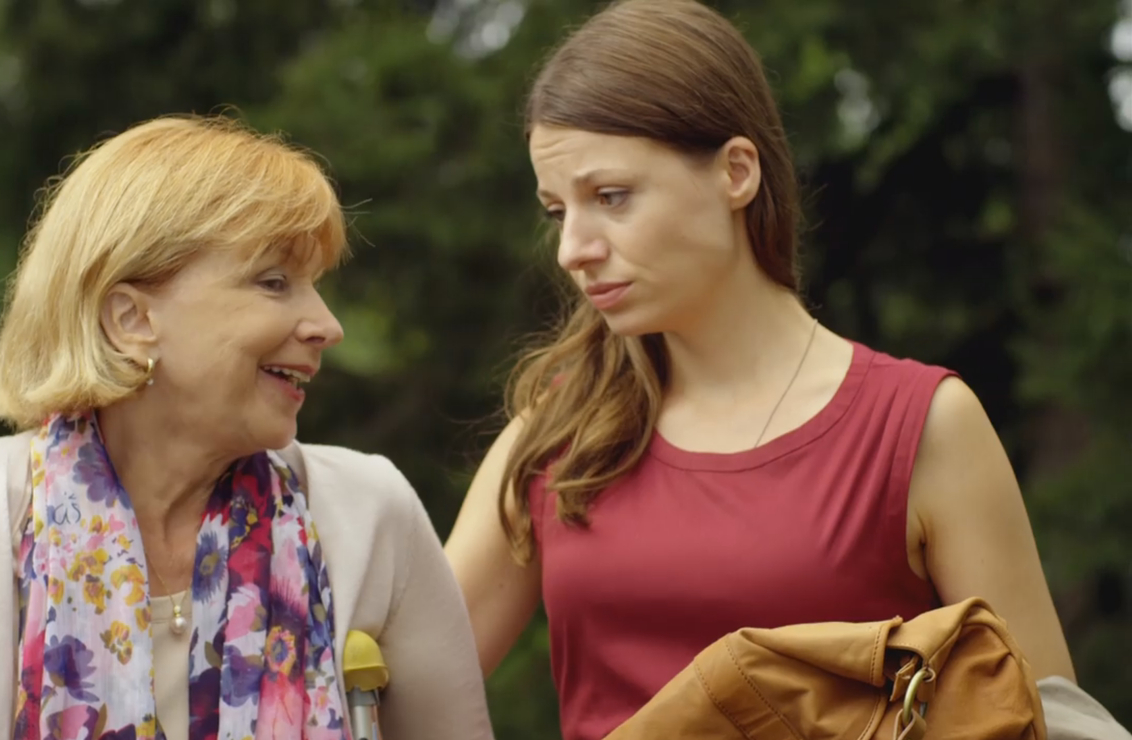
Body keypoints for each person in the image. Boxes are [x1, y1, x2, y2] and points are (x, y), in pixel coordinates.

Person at [443, 2, 1080, 740]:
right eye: (558, 211)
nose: (572, 249)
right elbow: (390, 687)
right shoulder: (560, 430)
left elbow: (1043, 717)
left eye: (610, 198)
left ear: (736, 172)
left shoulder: (921, 425)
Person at [0, 116, 493, 740]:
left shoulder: (367, 513)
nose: (327, 326)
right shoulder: (7, 507)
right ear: (131, 320)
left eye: (313, 286)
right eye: (274, 282)